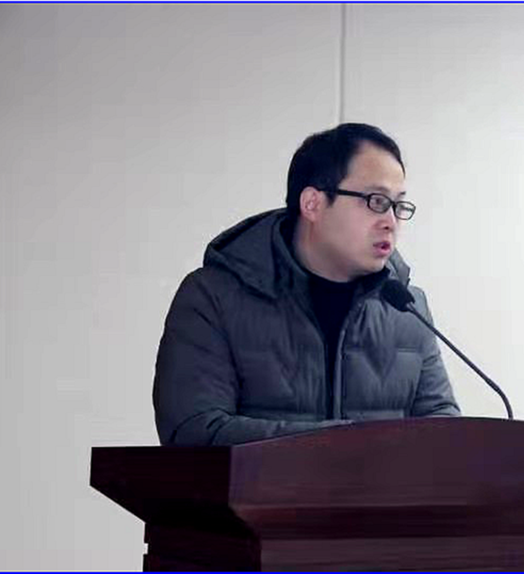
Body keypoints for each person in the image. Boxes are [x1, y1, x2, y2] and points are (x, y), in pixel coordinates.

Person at [153, 123, 460, 446]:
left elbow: (444, 436)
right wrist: (346, 444)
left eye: (398, 206)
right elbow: (195, 432)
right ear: (313, 203)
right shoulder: (213, 297)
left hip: (381, 483)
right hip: (260, 483)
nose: (391, 222)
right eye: (376, 201)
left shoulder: (408, 308)